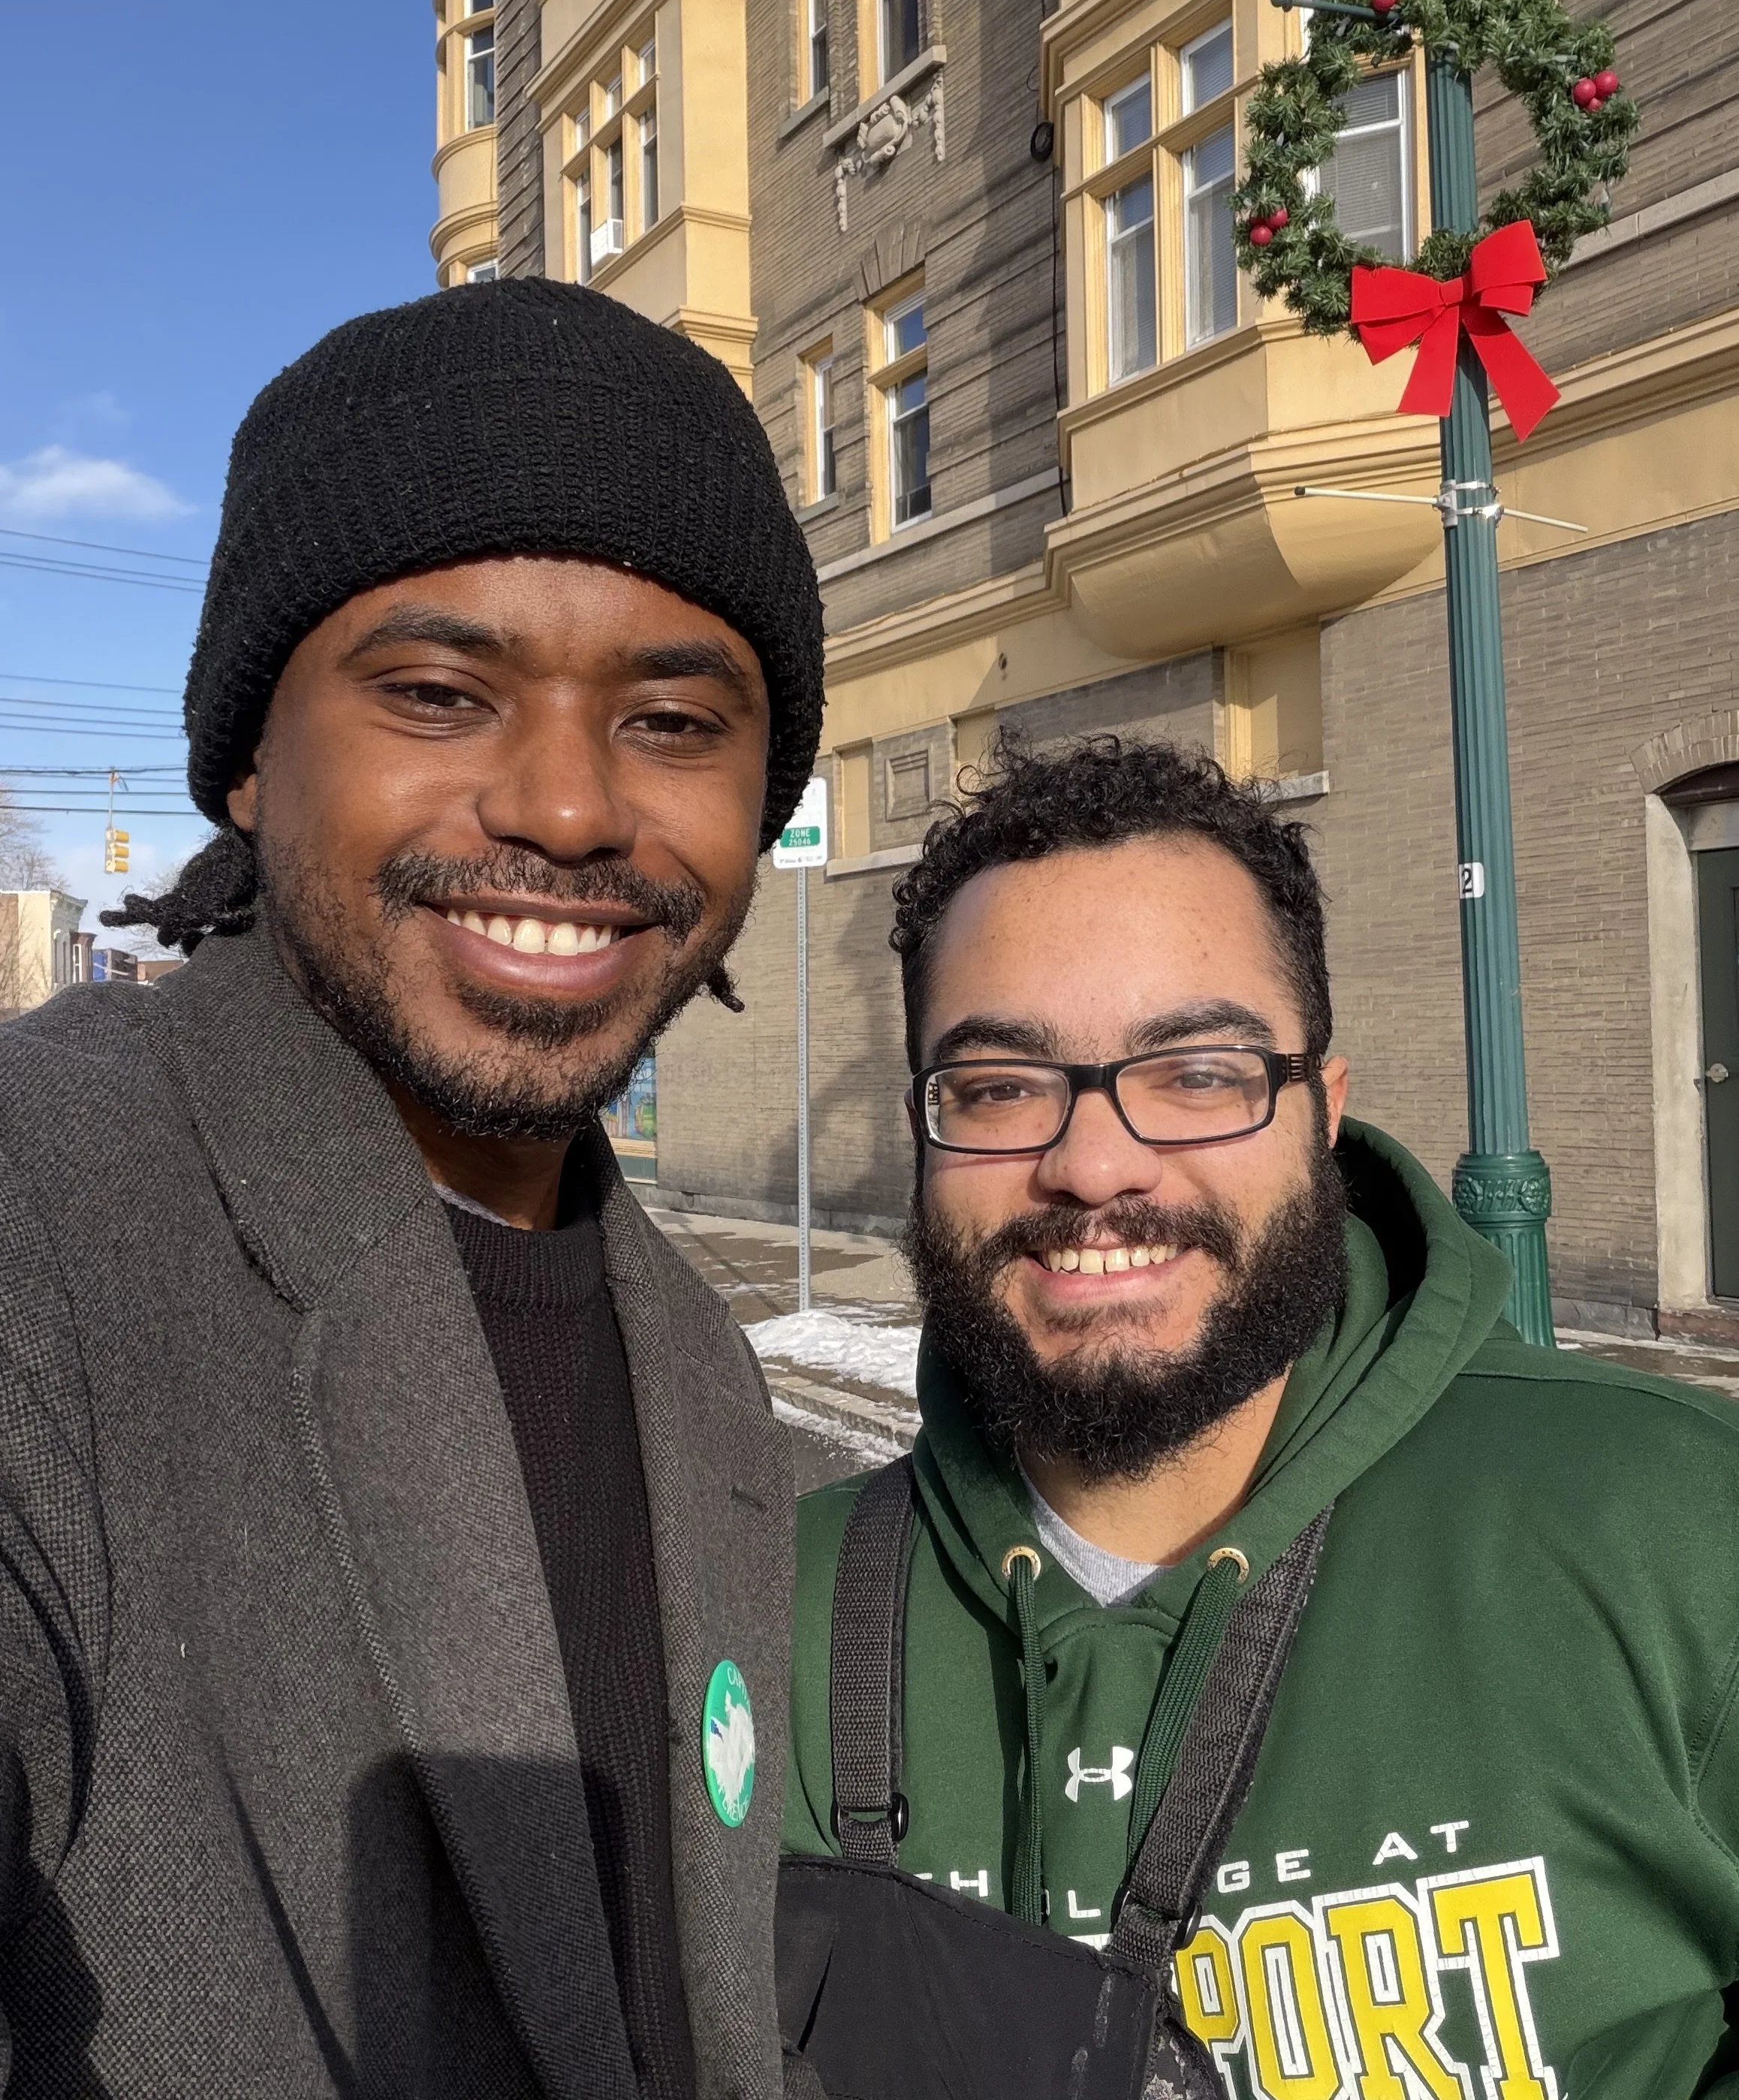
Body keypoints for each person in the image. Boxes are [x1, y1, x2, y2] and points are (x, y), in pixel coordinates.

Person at [0, 279, 823, 2095]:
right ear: (244, 753)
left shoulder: (697, 1357)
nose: (567, 807)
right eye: (441, 693)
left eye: (677, 720)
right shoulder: (43, 1207)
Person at [780, 735, 1739, 2100]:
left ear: (1322, 1115)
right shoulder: (763, 1618)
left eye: (1199, 1073)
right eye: (998, 1088)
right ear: (925, 1137)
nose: (1094, 1163)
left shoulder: (1679, 1530)